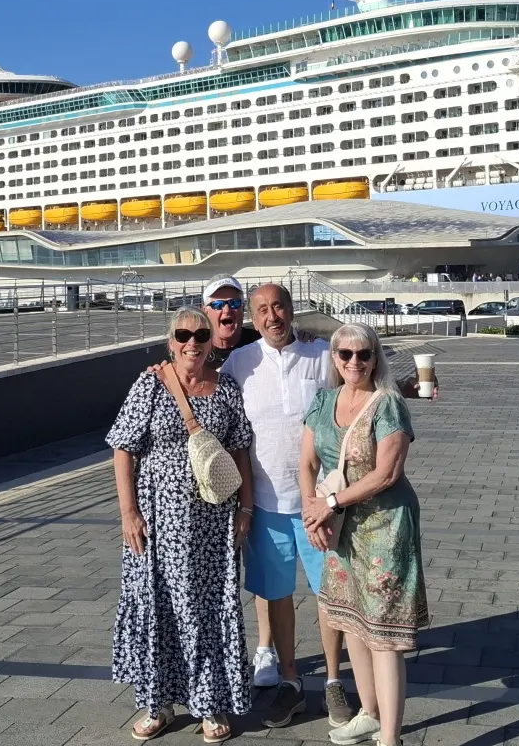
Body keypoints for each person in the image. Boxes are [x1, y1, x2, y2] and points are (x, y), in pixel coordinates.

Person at [108, 308, 254, 742]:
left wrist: (246, 509)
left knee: (209, 610)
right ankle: (158, 705)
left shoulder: (225, 388)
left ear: (211, 341)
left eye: (200, 334)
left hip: (212, 521)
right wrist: (128, 511)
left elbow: (240, 449)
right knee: (160, 608)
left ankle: (209, 704)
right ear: (171, 341)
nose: (192, 342)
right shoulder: (151, 383)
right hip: (157, 523)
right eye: (183, 334)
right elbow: (122, 449)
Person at [220, 283, 349, 729]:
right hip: (266, 504)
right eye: (262, 310)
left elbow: (360, 386)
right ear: (253, 318)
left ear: (292, 310)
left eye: (279, 307)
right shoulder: (239, 363)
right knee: (275, 596)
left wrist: (408, 388)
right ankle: (290, 680)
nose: (272, 316)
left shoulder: (321, 354)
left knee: (329, 595)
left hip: (319, 505)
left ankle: (333, 681)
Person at [299, 322, 428, 746]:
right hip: (341, 529)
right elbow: (306, 464)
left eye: (364, 354)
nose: (355, 362)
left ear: (376, 357)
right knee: (351, 619)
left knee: (384, 633)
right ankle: (369, 713)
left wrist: (329, 505)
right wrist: (311, 510)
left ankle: (391, 737)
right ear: (334, 358)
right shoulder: (323, 401)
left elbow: (387, 474)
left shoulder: (388, 404)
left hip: (384, 528)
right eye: (345, 354)